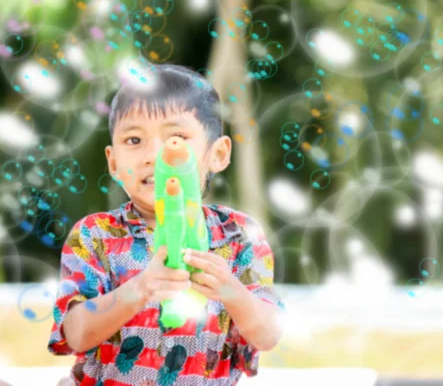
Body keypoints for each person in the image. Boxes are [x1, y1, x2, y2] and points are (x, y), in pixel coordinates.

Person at [48, 64, 285, 386]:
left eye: (176, 137)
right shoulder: (95, 235)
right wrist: (140, 289)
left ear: (217, 153)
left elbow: (268, 335)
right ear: (114, 161)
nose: (154, 155)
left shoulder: (238, 235)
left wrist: (233, 292)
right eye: (134, 140)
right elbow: (75, 335)